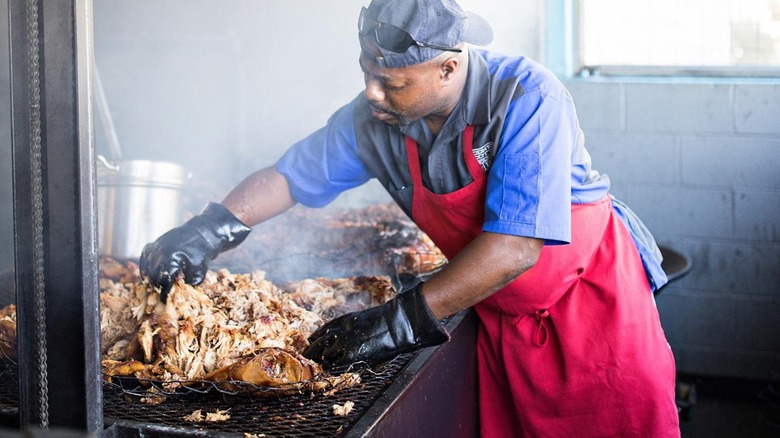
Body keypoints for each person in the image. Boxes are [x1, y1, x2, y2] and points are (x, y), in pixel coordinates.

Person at [139, 0, 681, 436]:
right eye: (367, 74)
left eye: (393, 83)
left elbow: (516, 247)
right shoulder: (373, 119)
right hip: (498, 318)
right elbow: (289, 176)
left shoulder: (524, 96)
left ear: (449, 67)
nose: (372, 94)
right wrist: (210, 228)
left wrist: (397, 323)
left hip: (593, 318)